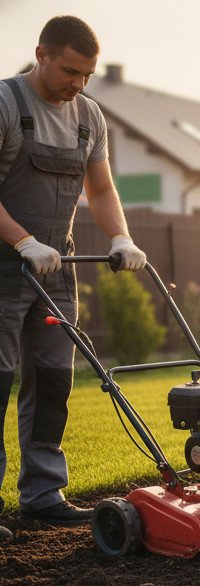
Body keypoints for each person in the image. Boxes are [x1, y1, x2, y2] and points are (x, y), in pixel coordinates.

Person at [0, 16, 147, 543]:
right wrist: (21, 241)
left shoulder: (89, 115)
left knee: (54, 380)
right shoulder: (5, 104)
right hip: (5, 265)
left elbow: (102, 190)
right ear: (40, 54)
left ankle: (42, 495)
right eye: (69, 71)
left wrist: (120, 238)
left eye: (86, 75)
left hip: (56, 269)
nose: (78, 84)